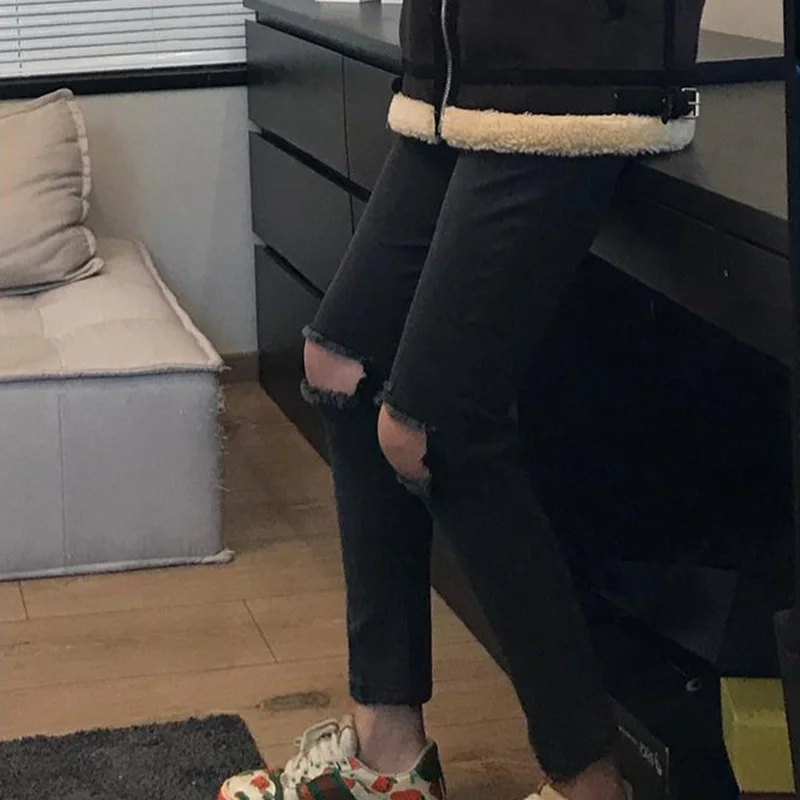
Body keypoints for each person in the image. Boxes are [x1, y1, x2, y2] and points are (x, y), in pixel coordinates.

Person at [220, 1, 705, 799]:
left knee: (434, 431)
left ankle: (589, 783)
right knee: (339, 365)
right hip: (455, 80)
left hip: (572, 85)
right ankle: (386, 753)